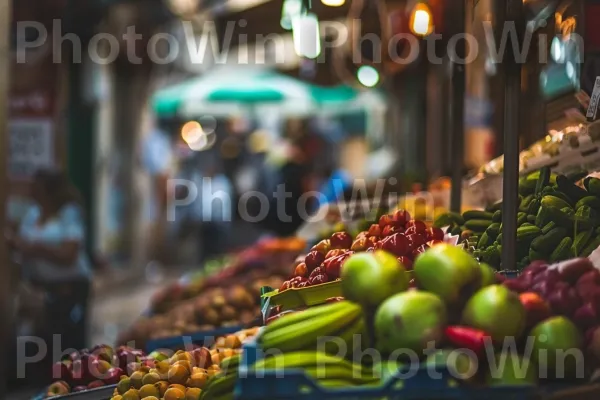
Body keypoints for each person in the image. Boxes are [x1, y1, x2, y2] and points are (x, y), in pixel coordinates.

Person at [6, 168, 91, 384]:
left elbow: (69, 254)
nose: (31, 189)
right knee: (41, 341)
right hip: (39, 290)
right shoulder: (33, 213)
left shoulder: (69, 213)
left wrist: (34, 248)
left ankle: (70, 383)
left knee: (66, 343)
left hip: (68, 289)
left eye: (37, 186)